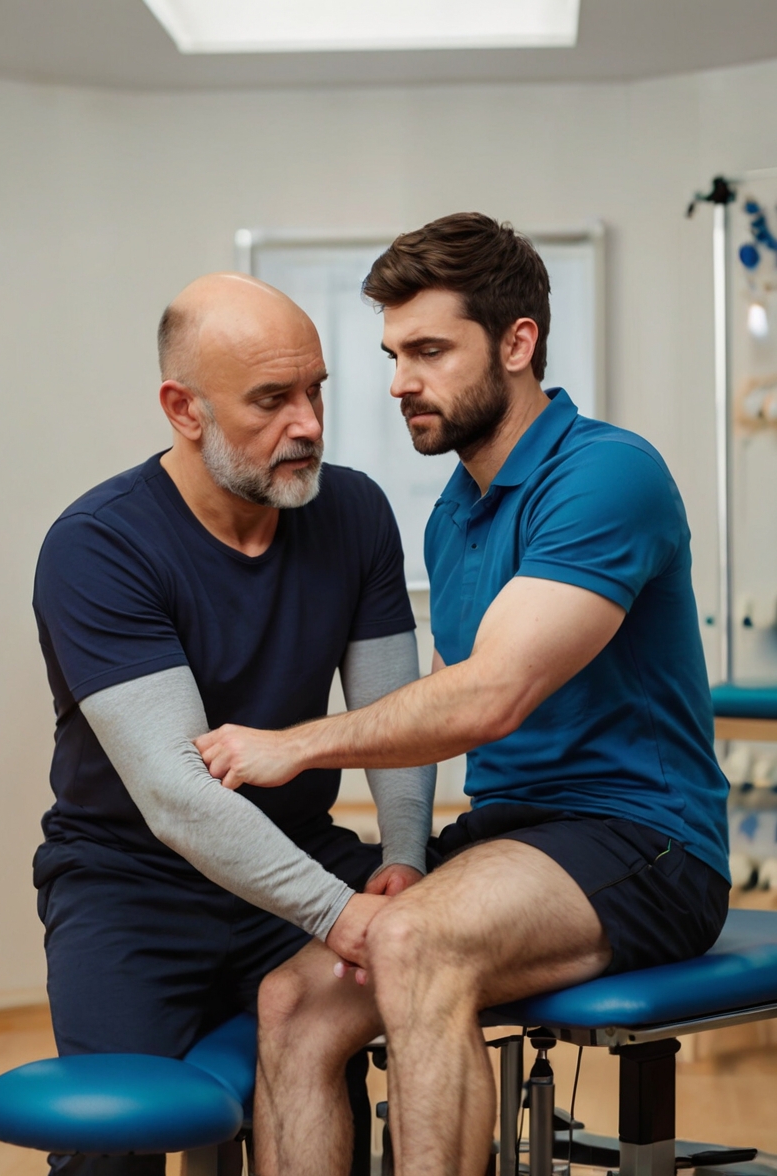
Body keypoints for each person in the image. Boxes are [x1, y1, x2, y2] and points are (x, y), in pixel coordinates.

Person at [196, 213, 731, 1176]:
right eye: (395, 353)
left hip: (644, 841)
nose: (401, 380)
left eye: (431, 350)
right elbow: (450, 693)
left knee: (411, 943)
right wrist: (411, 852)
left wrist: (299, 743)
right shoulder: (454, 513)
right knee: (293, 1002)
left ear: (518, 343)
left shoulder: (607, 473)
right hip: (511, 835)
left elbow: (491, 695)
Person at [32, 272, 436, 1176]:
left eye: (317, 390)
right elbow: (178, 796)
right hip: (131, 883)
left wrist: (402, 860)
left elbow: (391, 722)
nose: (309, 425)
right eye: (271, 401)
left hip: (301, 853)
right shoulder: (99, 545)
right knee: (111, 1149)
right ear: (184, 409)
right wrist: (343, 917)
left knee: (328, 1105)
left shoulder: (356, 511)